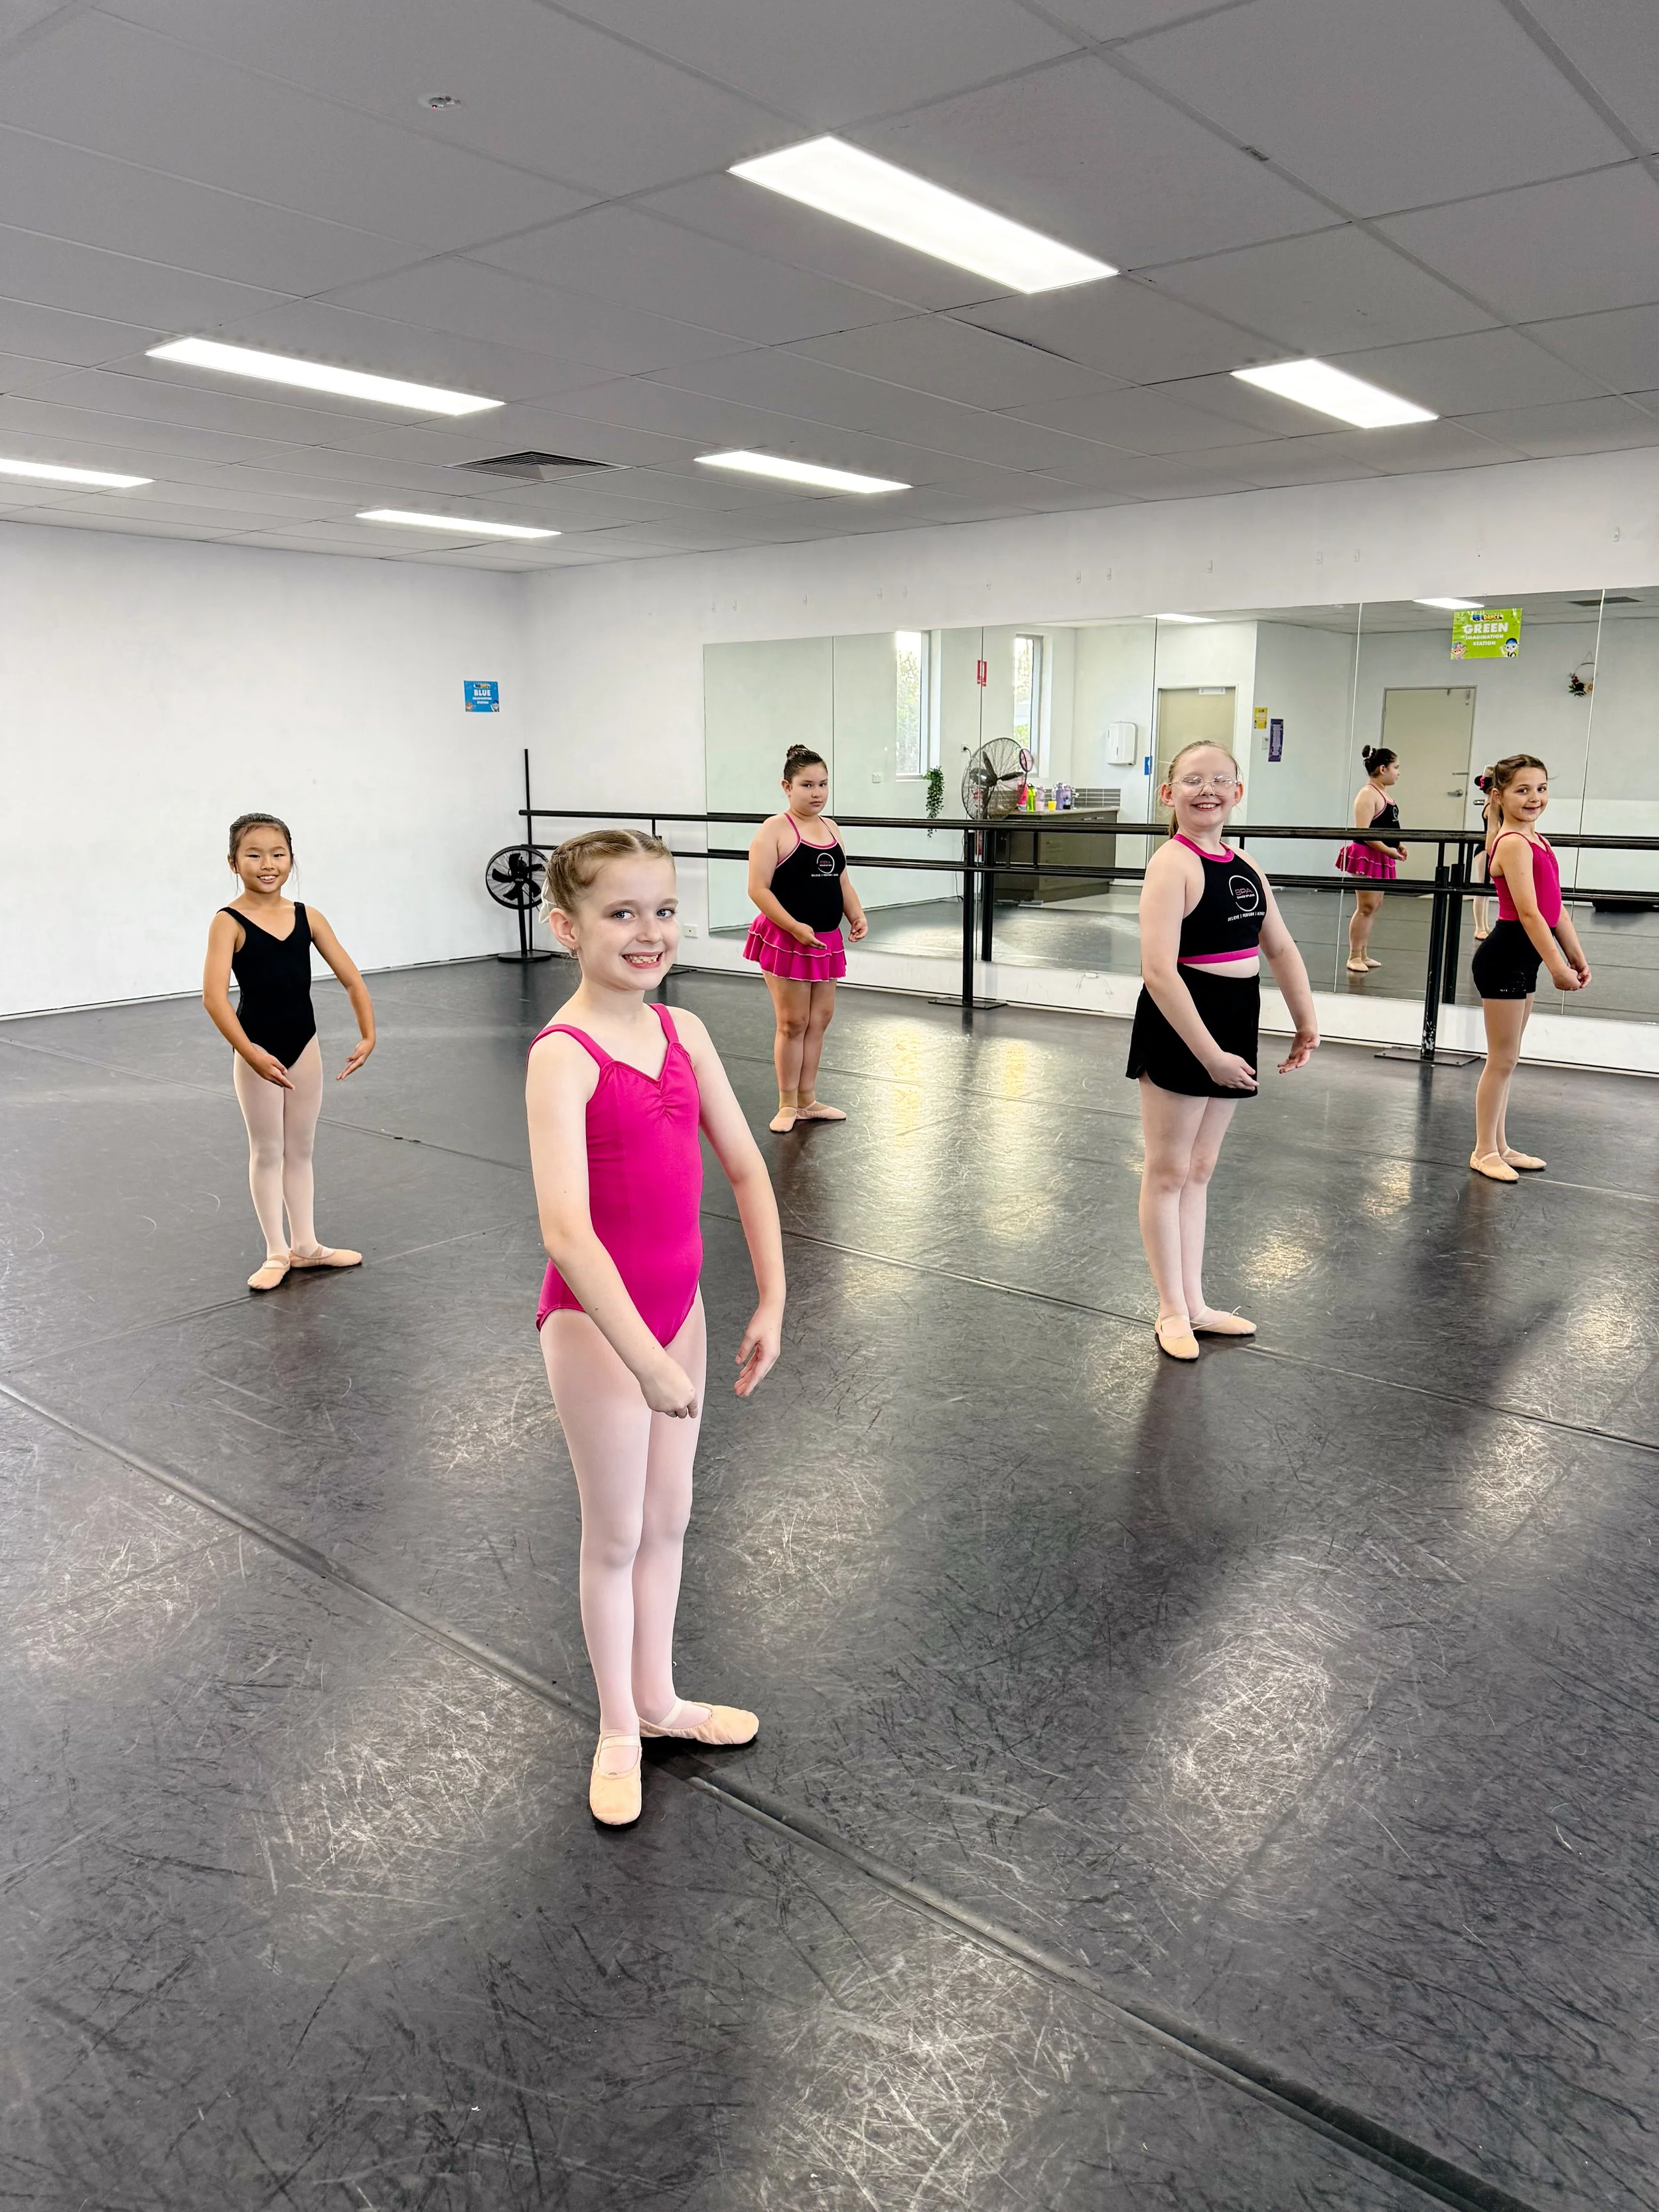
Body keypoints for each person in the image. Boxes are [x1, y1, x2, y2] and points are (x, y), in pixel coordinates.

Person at [527, 828, 785, 1829]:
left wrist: (770, 1297)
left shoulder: (686, 1034)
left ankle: (661, 1698)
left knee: (671, 1518)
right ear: (567, 926)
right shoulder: (564, 1055)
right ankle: (618, 1728)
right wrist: (641, 1359)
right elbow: (566, 1231)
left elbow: (748, 1166)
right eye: (621, 913)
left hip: (681, 1314)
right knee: (618, 1530)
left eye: (664, 910)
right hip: (600, 1332)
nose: (649, 932)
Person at [1128, 742, 1320, 1361]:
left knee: (1201, 1170)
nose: (1206, 790)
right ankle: (1170, 1308)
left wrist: (1305, 1020)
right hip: (1185, 1020)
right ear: (1169, 794)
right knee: (1168, 1170)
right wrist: (1208, 1052)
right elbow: (1159, 971)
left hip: (1237, 1016)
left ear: (1238, 792)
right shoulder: (1171, 865)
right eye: (1192, 780)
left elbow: (1281, 948)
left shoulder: (1245, 866)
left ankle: (1197, 1300)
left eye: (1220, 780)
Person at [202, 814, 374, 1292]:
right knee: (268, 1150)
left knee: (301, 1148)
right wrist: (250, 1054)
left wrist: (368, 1033)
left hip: (305, 1047)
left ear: (291, 859)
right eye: (254, 854)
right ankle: (276, 1250)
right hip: (258, 1048)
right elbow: (214, 997)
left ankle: (307, 1245)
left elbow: (351, 976)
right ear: (233, 862)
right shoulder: (228, 921)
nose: (267, 864)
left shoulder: (307, 916)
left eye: (278, 854)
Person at [1469, 755, 1590, 1183]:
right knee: (1501, 1060)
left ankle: (1500, 1145)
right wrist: (1558, 967)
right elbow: (1530, 914)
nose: (1534, 798)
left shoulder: (1538, 840)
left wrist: (1575, 955)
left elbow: (1556, 910)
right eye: (1523, 790)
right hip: (1504, 958)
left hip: (1525, 959)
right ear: (1500, 796)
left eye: (1541, 789)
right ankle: (1484, 1150)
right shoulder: (1514, 843)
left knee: (1509, 1059)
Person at [745, 745, 868, 1133]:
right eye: (807, 785)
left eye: (823, 784)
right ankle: (786, 1104)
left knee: (820, 1020)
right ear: (787, 786)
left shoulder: (831, 828)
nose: (817, 792)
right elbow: (758, 890)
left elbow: (842, 880)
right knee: (793, 1022)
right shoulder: (775, 829)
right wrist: (795, 926)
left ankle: (808, 1100)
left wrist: (857, 914)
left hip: (826, 939)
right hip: (788, 938)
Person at [1337, 745, 1408, 972]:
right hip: (1366, 855)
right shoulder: (1368, 794)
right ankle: (1354, 955)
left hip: (1380, 854)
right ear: (1382, 768)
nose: (1398, 772)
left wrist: (1397, 845)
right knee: (1365, 906)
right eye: (1396, 767)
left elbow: (1387, 826)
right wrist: (1388, 850)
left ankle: (1363, 952)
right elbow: (1364, 832)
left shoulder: (1383, 794)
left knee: (1375, 905)